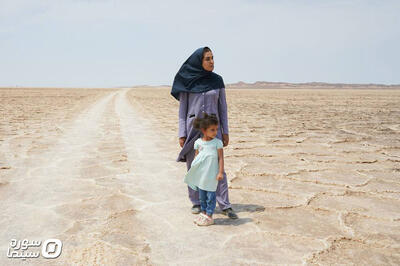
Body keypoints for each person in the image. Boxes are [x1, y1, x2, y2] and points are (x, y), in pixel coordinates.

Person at [171, 46, 238, 219]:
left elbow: (223, 108)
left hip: (213, 130)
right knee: (195, 166)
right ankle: (196, 203)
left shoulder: (217, 80)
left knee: (217, 166)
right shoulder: (188, 81)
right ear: (199, 61)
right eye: (207, 59)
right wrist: (181, 133)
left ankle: (225, 204)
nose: (211, 62)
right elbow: (182, 110)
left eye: (212, 58)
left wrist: (225, 131)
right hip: (193, 131)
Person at [184, 113, 223, 226]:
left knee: (211, 196)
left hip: (211, 175)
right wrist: (194, 173)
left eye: (216, 129)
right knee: (202, 197)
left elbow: (221, 158)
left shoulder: (217, 143)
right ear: (204, 130)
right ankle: (204, 213)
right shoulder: (198, 143)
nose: (215, 132)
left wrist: (220, 172)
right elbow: (196, 159)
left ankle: (209, 216)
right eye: (212, 130)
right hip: (202, 175)